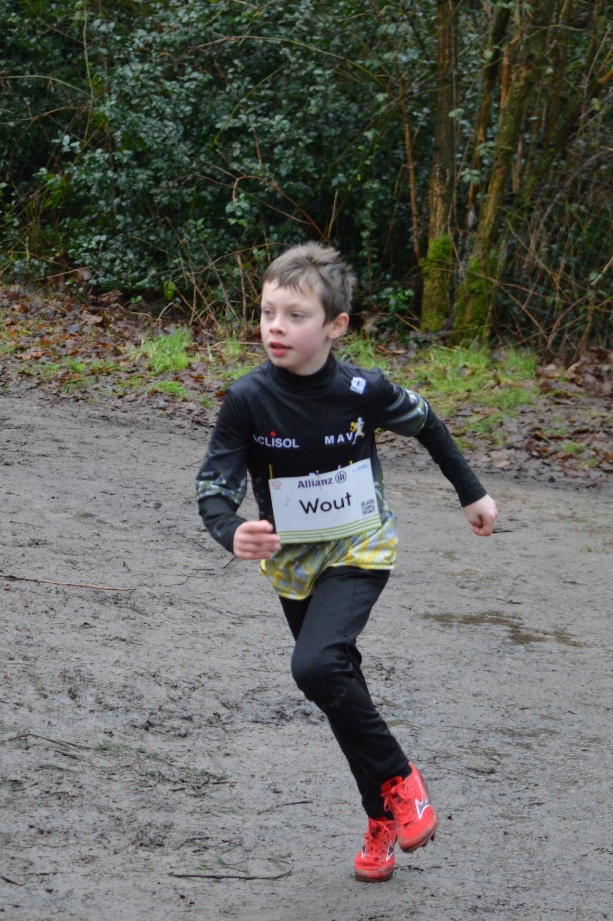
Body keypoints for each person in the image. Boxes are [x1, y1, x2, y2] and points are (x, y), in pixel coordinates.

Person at [195, 242, 498, 883]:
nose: (275, 327)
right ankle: (381, 815)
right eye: (267, 312)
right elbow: (213, 485)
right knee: (336, 687)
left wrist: (472, 492)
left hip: (361, 547)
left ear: (335, 326)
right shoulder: (248, 398)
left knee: (315, 663)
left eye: (295, 315)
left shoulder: (363, 389)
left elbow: (429, 425)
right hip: (293, 565)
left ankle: (401, 779)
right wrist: (232, 531)